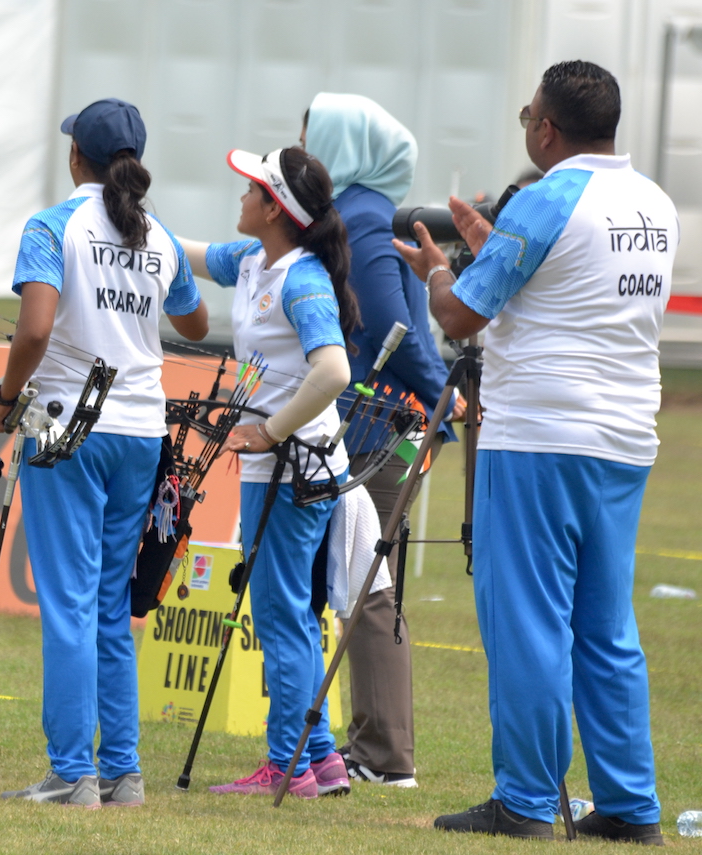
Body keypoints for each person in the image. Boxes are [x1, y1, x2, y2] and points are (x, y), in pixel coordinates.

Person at [393, 60, 676, 843]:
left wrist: (441, 265)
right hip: (623, 440)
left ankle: (524, 799)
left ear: (546, 128)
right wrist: (493, 243)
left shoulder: (550, 195)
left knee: (528, 622)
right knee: (605, 624)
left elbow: (457, 314)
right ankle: (627, 805)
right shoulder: (654, 202)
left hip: (542, 437)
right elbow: (567, 281)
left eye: (527, 115)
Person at [0, 98, 208, 808]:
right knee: (111, 603)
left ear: (76, 156)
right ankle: (122, 771)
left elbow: (34, 330)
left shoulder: (53, 226)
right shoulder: (158, 234)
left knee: (70, 603)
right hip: (140, 433)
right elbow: (196, 321)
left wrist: (1, 401)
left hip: (66, 429)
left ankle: (70, 773)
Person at [180, 146, 359, 799]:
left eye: (253, 187)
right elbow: (189, 253)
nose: (242, 194)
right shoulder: (255, 258)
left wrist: (271, 428)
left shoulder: (301, 279)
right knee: (290, 613)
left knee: (281, 617)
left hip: (293, 471)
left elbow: (334, 371)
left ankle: (287, 765)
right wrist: (126, 222)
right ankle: (322, 757)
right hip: (282, 469)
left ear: (276, 209)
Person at [302, 92, 461, 789]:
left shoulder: (361, 218)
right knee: (368, 581)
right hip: (385, 423)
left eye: (312, 136)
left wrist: (442, 401)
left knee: (367, 584)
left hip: (377, 426)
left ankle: (384, 753)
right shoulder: (364, 212)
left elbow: (393, 328)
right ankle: (377, 747)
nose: (301, 148)